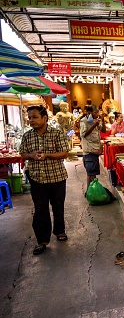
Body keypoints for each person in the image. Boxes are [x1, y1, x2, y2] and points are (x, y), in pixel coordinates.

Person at [19, 105, 69, 255]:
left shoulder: (56, 133)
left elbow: (65, 153)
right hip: (37, 178)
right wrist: (32, 155)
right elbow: (23, 153)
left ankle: (60, 231)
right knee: (40, 210)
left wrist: (47, 155)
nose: (31, 121)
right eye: (30, 118)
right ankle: (42, 240)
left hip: (57, 177)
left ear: (44, 118)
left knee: (58, 206)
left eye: (35, 117)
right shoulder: (27, 136)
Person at [80, 105, 106, 190]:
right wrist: (94, 125)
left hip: (95, 150)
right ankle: (93, 192)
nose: (97, 114)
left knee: (90, 173)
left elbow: (103, 130)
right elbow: (83, 134)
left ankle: (89, 192)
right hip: (89, 151)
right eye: (95, 112)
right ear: (89, 112)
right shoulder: (84, 121)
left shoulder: (94, 120)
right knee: (91, 174)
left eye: (98, 112)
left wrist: (102, 120)